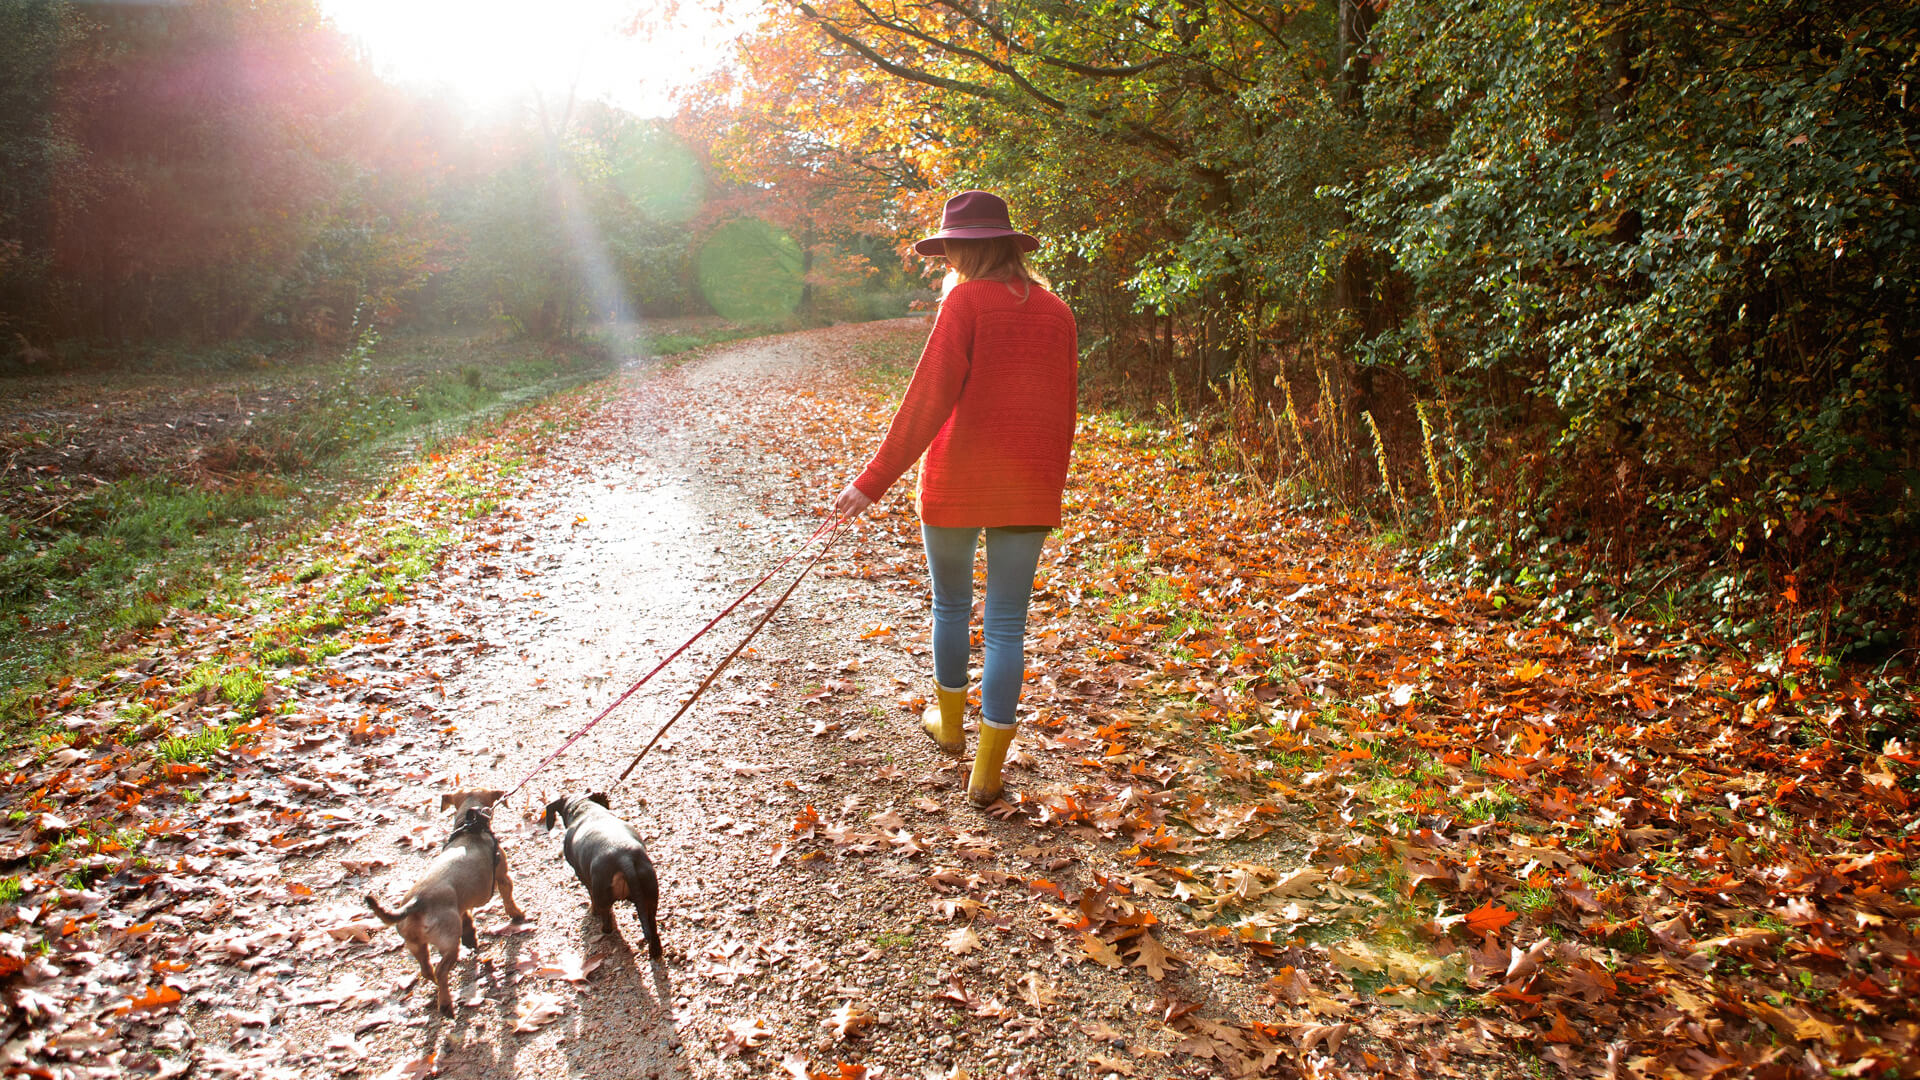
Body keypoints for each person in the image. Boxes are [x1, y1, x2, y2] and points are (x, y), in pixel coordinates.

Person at [833, 190, 1079, 808]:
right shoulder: (1058, 313)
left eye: (953, 250)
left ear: (966, 252)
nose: (952, 261)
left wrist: (871, 482)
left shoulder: (965, 302)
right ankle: (987, 772)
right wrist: (1046, 483)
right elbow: (1061, 413)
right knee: (1006, 625)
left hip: (958, 480)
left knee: (951, 607)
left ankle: (948, 728)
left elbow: (927, 400)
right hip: (1027, 485)